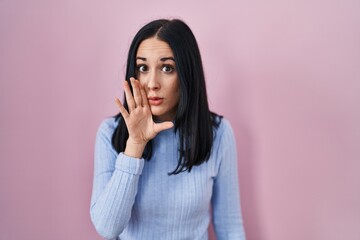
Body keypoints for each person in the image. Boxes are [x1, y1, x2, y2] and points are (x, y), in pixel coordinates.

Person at [90, 19, 246, 240]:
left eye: (167, 68)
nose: (152, 82)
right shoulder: (110, 133)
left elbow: (230, 228)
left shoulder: (218, 134)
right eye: (143, 68)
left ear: (186, 74)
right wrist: (135, 145)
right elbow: (107, 228)